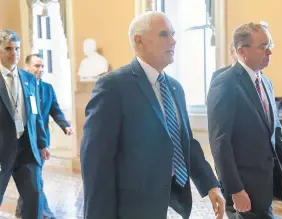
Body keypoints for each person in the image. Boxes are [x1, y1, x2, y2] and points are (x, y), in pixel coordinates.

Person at [80, 11, 225, 219]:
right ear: (139, 41)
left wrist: (211, 184)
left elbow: (186, 143)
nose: (174, 40)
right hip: (133, 208)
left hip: (175, 203)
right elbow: (96, 163)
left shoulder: (175, 88)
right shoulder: (113, 86)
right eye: (164, 34)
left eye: (173, 33)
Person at [207, 23, 282, 219]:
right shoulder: (225, 84)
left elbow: (276, 132)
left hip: (265, 182)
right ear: (242, 51)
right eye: (263, 46)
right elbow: (220, 143)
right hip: (243, 186)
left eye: (270, 45)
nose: (269, 52)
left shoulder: (265, 82)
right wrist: (235, 189)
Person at [15, 54, 73, 219]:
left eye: (42, 66)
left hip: (41, 141)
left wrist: (65, 125)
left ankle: (23, 210)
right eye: (36, 66)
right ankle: (43, 212)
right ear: (27, 67)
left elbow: (55, 109)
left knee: (32, 179)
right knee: (34, 179)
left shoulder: (48, 88)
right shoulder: (20, 86)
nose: (40, 70)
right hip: (24, 141)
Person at [0, 29, 50, 219]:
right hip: (2, 150)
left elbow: (35, 114)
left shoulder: (29, 79)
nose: (14, 53)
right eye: (8, 49)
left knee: (34, 198)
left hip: (26, 150)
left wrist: (42, 142)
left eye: (17, 49)